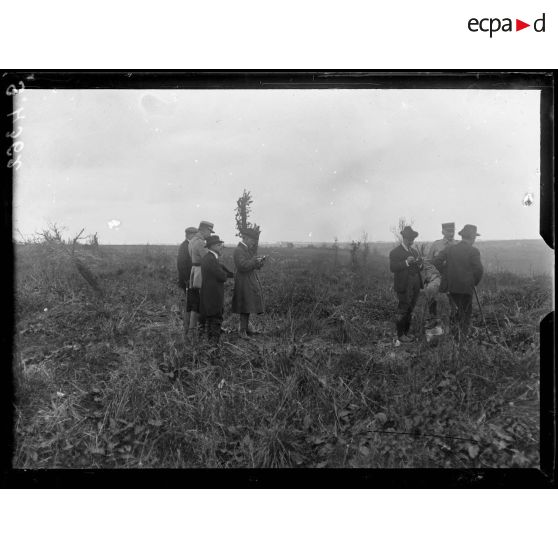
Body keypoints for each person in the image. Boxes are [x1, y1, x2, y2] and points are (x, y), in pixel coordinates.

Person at [434, 224, 483, 339]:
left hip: (450, 287)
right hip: (466, 289)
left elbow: (436, 262)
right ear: (472, 238)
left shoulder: (450, 249)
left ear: (462, 236)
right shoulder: (473, 251)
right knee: (465, 314)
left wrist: (446, 273)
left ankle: (454, 337)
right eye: (474, 237)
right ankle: (462, 340)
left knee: (454, 311)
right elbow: (479, 270)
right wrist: (472, 282)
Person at [389, 225, 423, 343]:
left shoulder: (414, 251)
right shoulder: (395, 252)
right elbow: (393, 268)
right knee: (403, 308)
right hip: (404, 285)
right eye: (409, 239)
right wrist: (406, 262)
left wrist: (420, 265)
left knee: (410, 308)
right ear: (404, 238)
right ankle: (400, 334)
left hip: (415, 284)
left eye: (413, 239)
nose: (411, 241)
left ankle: (406, 333)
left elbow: (419, 268)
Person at [231, 227, 266, 338]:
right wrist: (254, 261)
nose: (253, 242)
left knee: (248, 304)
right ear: (245, 238)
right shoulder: (239, 250)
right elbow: (242, 266)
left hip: (248, 279)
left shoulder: (246, 250)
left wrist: (259, 263)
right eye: (252, 240)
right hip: (243, 281)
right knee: (244, 306)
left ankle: (245, 329)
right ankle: (242, 331)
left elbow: (249, 264)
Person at [200, 235, 234, 344]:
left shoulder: (210, 258)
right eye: (219, 245)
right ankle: (214, 347)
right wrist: (226, 274)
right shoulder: (211, 259)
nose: (221, 247)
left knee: (211, 320)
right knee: (215, 320)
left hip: (210, 295)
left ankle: (211, 345)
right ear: (212, 246)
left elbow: (221, 271)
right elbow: (222, 277)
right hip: (213, 296)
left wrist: (230, 273)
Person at [425, 222, 458, 326]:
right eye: (448, 231)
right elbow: (428, 262)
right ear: (443, 231)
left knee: (457, 295)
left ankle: (454, 318)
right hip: (438, 276)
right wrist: (430, 275)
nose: (451, 233)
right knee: (430, 289)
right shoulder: (436, 244)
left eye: (452, 231)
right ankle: (432, 317)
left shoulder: (458, 244)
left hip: (453, 277)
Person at [188, 220, 215, 339]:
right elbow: (207, 258)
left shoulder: (193, 240)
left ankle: (193, 329)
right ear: (204, 230)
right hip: (200, 272)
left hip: (195, 271)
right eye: (209, 231)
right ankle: (197, 329)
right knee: (200, 302)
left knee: (196, 302)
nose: (210, 234)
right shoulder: (200, 242)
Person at [177, 226, 198, 336]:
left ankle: (191, 327)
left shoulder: (192, 245)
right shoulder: (184, 246)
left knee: (192, 303)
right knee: (189, 304)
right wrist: (186, 280)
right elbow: (181, 265)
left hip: (192, 280)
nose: (194, 236)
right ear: (188, 235)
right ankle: (187, 329)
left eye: (195, 234)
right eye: (193, 234)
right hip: (187, 281)